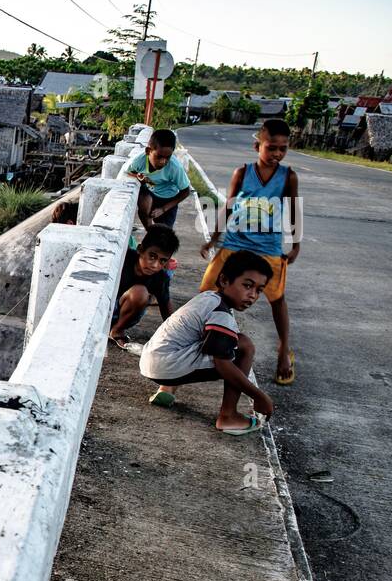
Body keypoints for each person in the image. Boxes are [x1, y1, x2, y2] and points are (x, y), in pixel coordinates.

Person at [198, 118, 300, 384]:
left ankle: (283, 350)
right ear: (258, 146)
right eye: (271, 148)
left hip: (268, 246)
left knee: (277, 300)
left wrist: (295, 243)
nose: (277, 154)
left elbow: (292, 210)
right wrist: (214, 240)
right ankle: (200, 340)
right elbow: (229, 207)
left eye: (283, 149)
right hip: (234, 242)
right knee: (207, 292)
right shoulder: (242, 173)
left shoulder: (288, 176)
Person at [138, 249, 275, 435]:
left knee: (217, 339)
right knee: (244, 346)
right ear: (225, 281)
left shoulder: (208, 298)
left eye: (259, 290)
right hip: (164, 366)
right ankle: (228, 416)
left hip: (151, 360)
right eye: (247, 286)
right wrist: (259, 396)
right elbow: (222, 363)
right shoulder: (221, 313)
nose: (252, 295)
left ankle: (167, 389)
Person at [110, 225, 178, 349]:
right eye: (152, 256)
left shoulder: (161, 278)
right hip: (104, 307)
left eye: (162, 261)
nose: (155, 265)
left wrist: (178, 335)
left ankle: (116, 331)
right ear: (140, 249)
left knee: (141, 293)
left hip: (121, 316)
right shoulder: (122, 258)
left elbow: (166, 308)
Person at [126, 128, 192, 229]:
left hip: (168, 200)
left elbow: (186, 191)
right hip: (150, 193)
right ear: (148, 151)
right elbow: (131, 172)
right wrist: (143, 179)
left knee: (163, 234)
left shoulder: (175, 167)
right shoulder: (139, 161)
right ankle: (150, 231)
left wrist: (163, 209)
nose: (163, 162)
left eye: (167, 157)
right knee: (144, 201)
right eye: (159, 157)